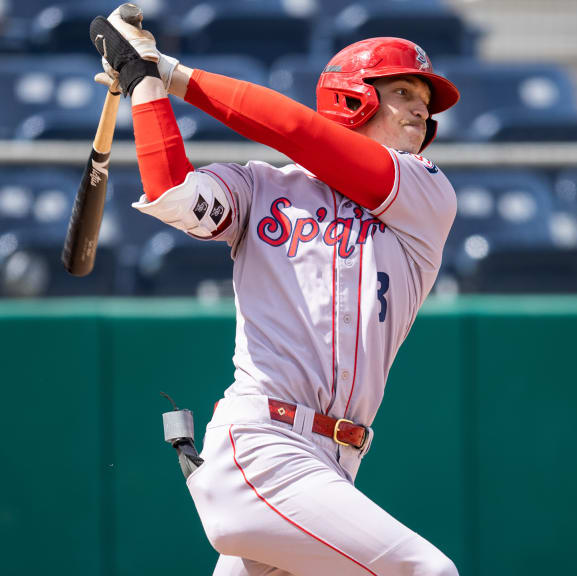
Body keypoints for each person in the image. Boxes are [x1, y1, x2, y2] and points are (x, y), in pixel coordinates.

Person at [92, 4, 461, 574]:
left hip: (334, 463)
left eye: (425, 101)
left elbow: (298, 131)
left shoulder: (424, 194)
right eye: (406, 91)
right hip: (262, 445)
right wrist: (145, 86)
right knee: (426, 571)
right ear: (353, 97)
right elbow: (171, 189)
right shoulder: (261, 186)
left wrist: (167, 70)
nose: (422, 108)